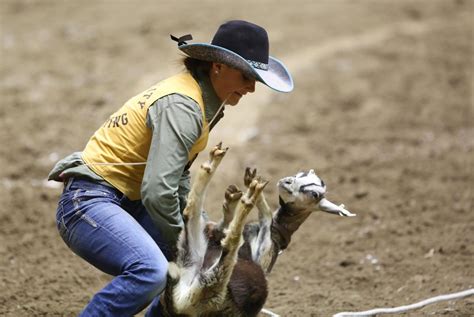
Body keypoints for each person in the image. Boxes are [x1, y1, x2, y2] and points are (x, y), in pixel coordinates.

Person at [48, 19, 293, 316]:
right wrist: (191, 246)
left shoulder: (200, 101)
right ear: (218, 67)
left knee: (194, 270)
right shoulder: (183, 106)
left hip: (123, 201)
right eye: (246, 76)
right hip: (87, 203)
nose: (252, 88)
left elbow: (176, 178)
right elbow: (157, 190)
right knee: (152, 271)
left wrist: (200, 229)